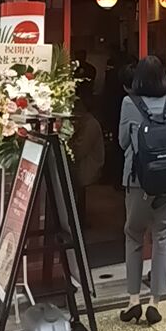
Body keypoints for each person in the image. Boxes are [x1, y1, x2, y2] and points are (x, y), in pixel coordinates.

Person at [118, 56, 166, 325]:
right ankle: (155, 301)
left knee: (134, 235)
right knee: (163, 236)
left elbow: (123, 142)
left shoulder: (129, 103)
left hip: (139, 181)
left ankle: (133, 300)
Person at [70, 82, 105, 226]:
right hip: (84, 164)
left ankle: (79, 221)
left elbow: (80, 150)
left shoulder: (90, 124)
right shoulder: (84, 121)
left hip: (88, 165)